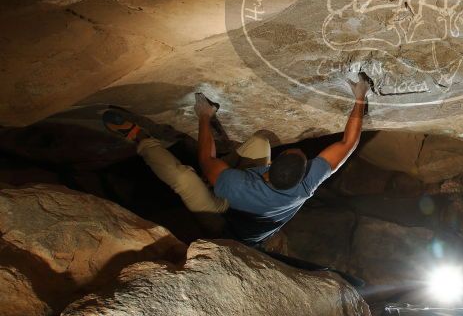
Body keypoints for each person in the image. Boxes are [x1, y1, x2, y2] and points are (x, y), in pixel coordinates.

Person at [103, 74, 370, 247]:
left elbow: (204, 159)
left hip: (225, 223)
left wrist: (205, 116)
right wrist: (359, 98)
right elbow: (347, 143)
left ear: (270, 169)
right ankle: (222, 163)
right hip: (244, 197)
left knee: (184, 178)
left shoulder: (239, 186)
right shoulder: (306, 184)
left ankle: (140, 140)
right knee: (259, 142)